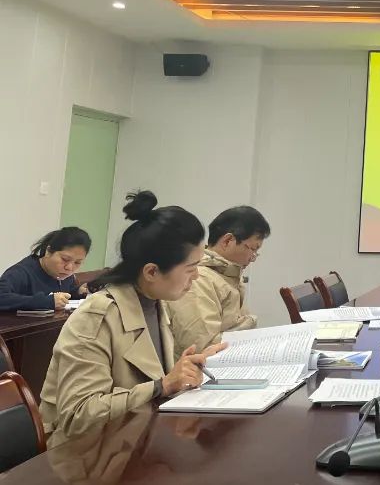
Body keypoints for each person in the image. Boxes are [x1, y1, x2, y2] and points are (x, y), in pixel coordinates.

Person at [39, 190, 226, 446]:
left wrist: (189, 369)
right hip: (85, 454)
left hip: (133, 441)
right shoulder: (97, 316)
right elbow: (78, 416)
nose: (196, 276)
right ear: (151, 271)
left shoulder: (155, 302)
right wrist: (162, 385)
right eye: (191, 268)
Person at [167, 205, 270, 360]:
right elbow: (201, 348)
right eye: (253, 249)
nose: (253, 258)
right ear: (228, 241)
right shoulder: (199, 279)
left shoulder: (228, 275)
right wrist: (250, 323)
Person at [0, 227, 91, 312]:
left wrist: (78, 292)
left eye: (77, 262)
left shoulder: (65, 276)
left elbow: (67, 292)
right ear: (48, 251)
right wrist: (46, 302)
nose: (69, 268)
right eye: (65, 259)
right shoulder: (20, 273)